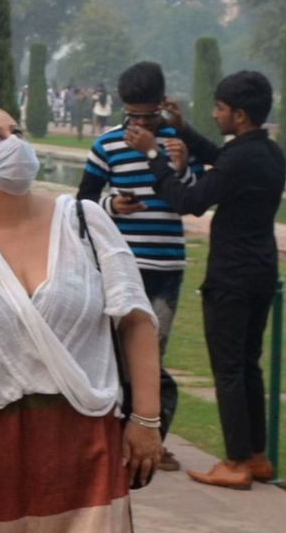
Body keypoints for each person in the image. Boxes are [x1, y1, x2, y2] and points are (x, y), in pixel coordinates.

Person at [0, 109, 162, 532]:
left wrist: (146, 419)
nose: (14, 142)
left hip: (86, 446)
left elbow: (136, 320)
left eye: (16, 131)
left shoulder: (84, 222)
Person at [142, 71, 286, 490]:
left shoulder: (240, 159)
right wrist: (181, 128)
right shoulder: (268, 153)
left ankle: (235, 462)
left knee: (227, 369)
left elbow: (190, 201)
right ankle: (257, 455)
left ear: (239, 115)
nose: (215, 114)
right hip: (261, 270)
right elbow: (221, 160)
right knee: (247, 365)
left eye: (220, 109)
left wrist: (154, 156)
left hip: (231, 277)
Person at [76, 61, 197, 468]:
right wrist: (114, 205)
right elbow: (84, 201)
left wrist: (181, 168)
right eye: (133, 115)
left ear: (162, 106)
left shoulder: (177, 145)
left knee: (152, 355)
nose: (139, 123)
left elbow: (194, 200)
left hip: (166, 268)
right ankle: (116, 437)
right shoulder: (108, 145)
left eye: (148, 116)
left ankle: (150, 442)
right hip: (120, 266)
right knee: (112, 353)